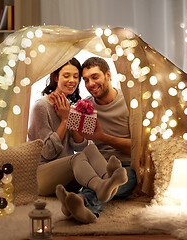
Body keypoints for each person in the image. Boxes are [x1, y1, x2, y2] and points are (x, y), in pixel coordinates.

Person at [27, 58, 128, 219]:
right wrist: (66, 120)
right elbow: (47, 152)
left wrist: (75, 117)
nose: (72, 81)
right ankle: (100, 186)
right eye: (66, 75)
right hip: (43, 177)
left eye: (76, 77)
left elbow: (79, 146)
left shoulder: (71, 106)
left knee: (90, 148)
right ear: (56, 77)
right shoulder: (41, 106)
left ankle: (108, 181)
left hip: (69, 178)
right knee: (78, 157)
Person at [55, 57, 137, 223]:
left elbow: (136, 149)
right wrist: (71, 121)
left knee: (115, 181)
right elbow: (79, 144)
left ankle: (80, 201)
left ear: (108, 75)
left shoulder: (129, 102)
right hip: (97, 163)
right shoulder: (86, 105)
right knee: (96, 179)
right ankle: (82, 204)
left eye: (94, 77)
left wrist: (101, 137)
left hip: (125, 166)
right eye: (85, 80)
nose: (90, 84)